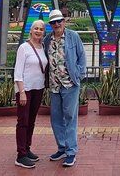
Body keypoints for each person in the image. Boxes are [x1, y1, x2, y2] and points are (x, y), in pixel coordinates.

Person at [44, 9, 86, 167]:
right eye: (53, 22)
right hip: (54, 85)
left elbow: (82, 56)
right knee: (55, 118)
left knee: (69, 117)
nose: (56, 24)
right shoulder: (48, 39)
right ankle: (61, 147)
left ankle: (71, 151)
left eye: (59, 21)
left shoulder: (73, 36)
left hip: (70, 84)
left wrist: (80, 74)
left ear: (64, 21)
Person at [14, 20, 48, 169]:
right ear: (31, 30)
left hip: (38, 88)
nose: (38, 31)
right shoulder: (24, 47)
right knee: (23, 121)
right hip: (25, 89)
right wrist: (21, 92)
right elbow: (18, 72)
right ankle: (20, 155)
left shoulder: (42, 47)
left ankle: (27, 149)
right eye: (36, 28)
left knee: (32, 121)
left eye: (41, 29)